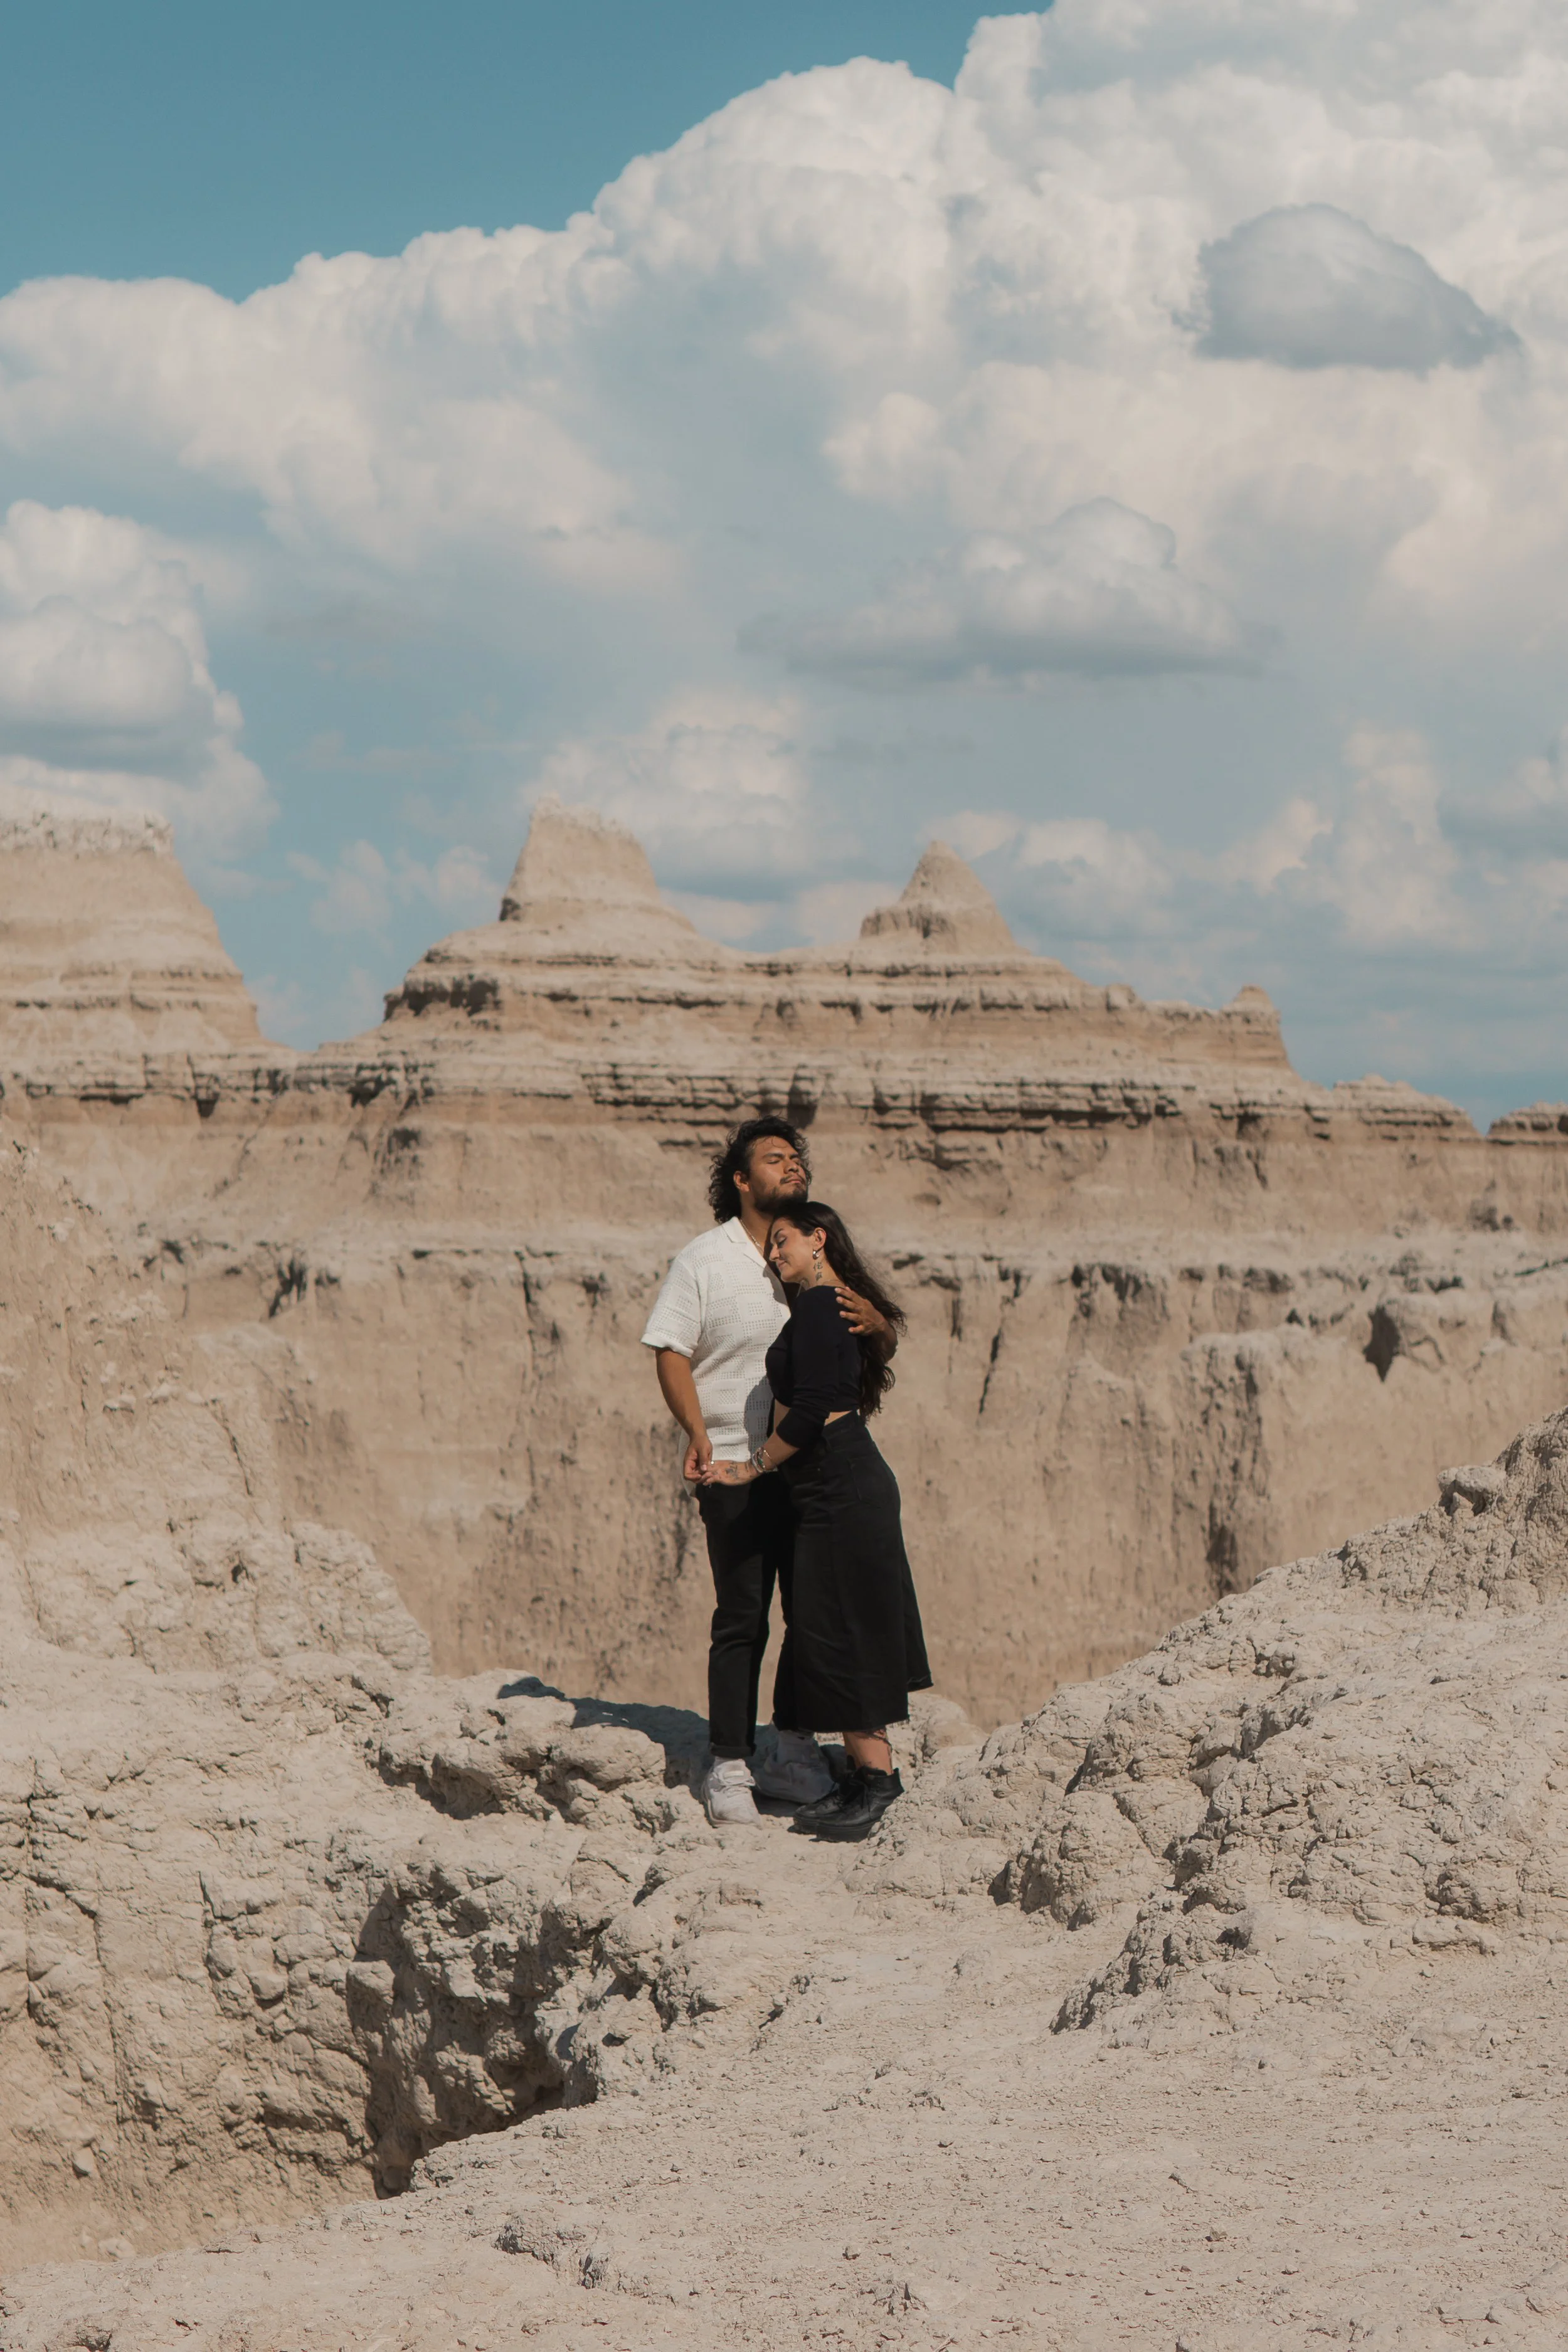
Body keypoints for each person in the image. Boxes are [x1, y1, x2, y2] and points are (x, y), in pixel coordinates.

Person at [641, 1118, 896, 1825]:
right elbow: (669, 1349)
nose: (793, 1166)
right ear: (741, 1180)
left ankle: (791, 1748)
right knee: (742, 1616)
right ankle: (728, 1762)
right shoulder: (704, 1259)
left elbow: (871, 1337)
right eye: (775, 1159)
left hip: (812, 1470)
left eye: (797, 1158)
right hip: (733, 1461)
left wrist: (878, 1323)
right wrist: (697, 1434)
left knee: (812, 1615)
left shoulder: (811, 1248)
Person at [700, 1198, 930, 1840]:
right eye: (770, 1245)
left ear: (818, 1239)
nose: (775, 1254)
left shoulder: (823, 1305)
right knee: (831, 1625)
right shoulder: (829, 1306)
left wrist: (750, 1468)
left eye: (784, 1242)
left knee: (846, 1628)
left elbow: (812, 1410)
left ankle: (879, 1782)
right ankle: (860, 1775)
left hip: (839, 1483)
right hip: (829, 1485)